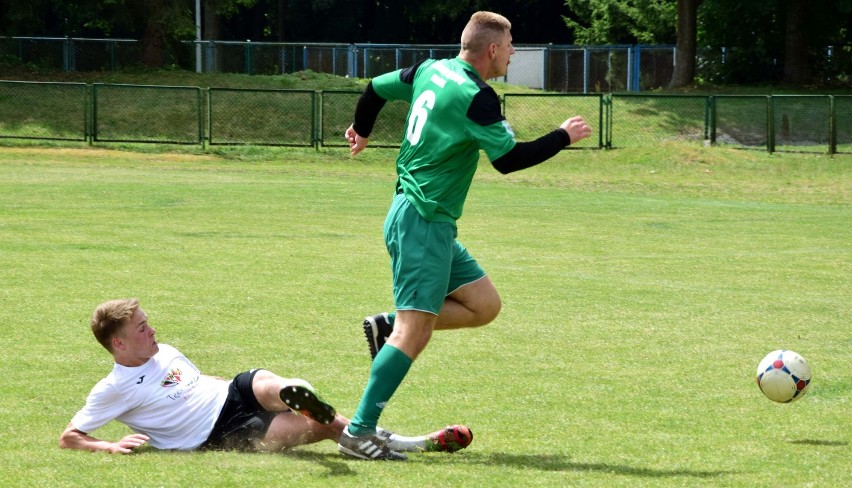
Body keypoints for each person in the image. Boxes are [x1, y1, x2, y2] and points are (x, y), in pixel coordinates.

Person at [340, 11, 592, 460]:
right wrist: (562, 137)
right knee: (414, 334)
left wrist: (362, 128)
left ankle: (388, 328)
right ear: (492, 49)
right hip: (423, 221)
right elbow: (509, 159)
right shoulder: (478, 97)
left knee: (483, 305)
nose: (514, 52)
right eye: (511, 44)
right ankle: (359, 432)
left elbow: (375, 89)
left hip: (424, 219)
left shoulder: (430, 69)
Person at [59, 298, 472, 457]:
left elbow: (197, 379)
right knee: (319, 425)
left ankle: (298, 395)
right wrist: (110, 445)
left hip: (231, 392)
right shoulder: (112, 389)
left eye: (148, 323)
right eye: (142, 329)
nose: (152, 331)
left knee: (273, 383)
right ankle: (396, 442)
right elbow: (70, 436)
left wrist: (239, 389)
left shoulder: (164, 351)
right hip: (218, 432)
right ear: (119, 345)